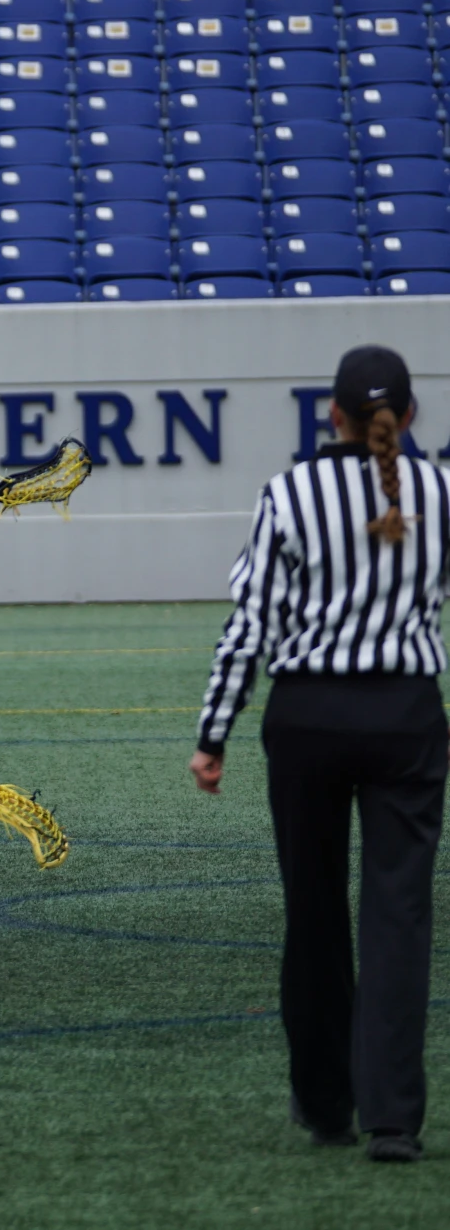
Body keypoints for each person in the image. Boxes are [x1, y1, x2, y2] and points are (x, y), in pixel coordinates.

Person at [193, 344, 448, 1164]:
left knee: (314, 913)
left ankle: (326, 1102)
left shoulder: (290, 491)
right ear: (408, 417)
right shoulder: (442, 491)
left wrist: (213, 733)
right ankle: (395, 1119)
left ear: (328, 414)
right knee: (399, 915)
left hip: (308, 716)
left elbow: (251, 624)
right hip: (407, 714)